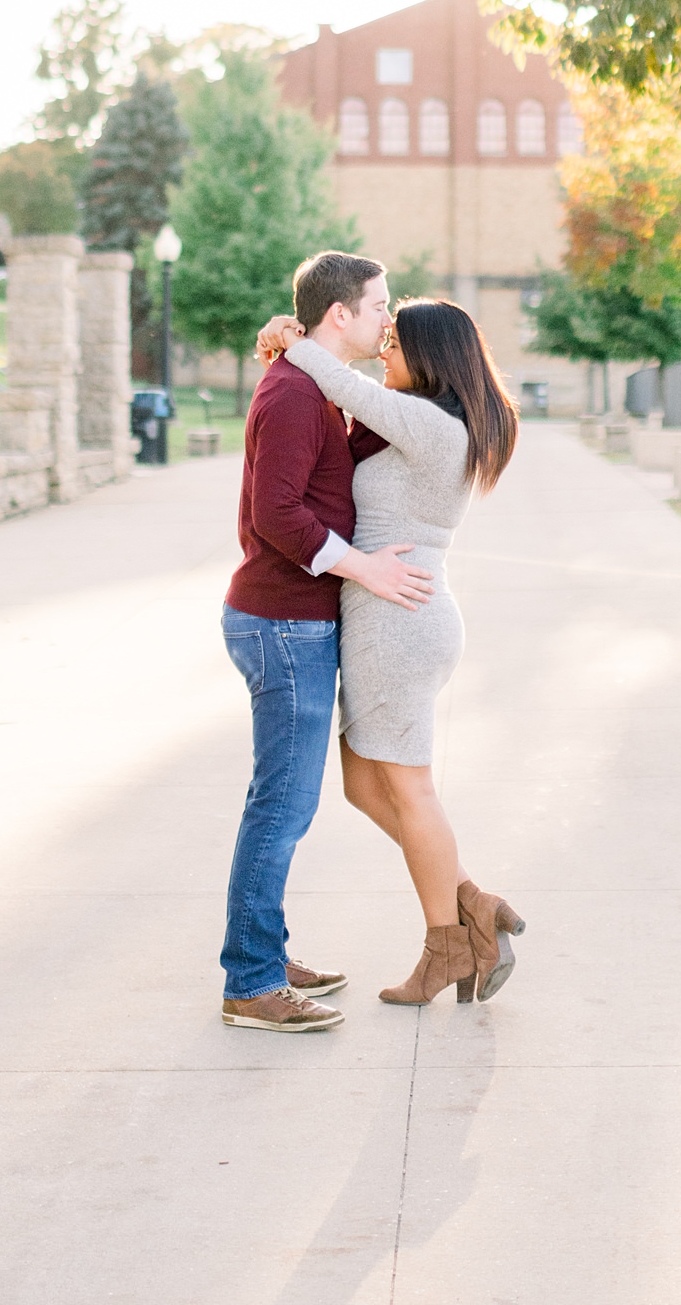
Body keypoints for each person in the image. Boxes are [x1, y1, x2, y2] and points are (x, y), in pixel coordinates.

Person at [256, 293, 526, 1007]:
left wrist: (289, 339)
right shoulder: (423, 420)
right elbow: (351, 401)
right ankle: (472, 904)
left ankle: (446, 946)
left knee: (410, 789)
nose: (384, 352)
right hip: (392, 616)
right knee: (364, 785)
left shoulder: (436, 427)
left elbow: (340, 384)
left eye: (396, 344)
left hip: (399, 621)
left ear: (432, 356)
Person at [220, 251, 434, 1034]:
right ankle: (250, 981)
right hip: (281, 623)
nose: (388, 320)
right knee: (282, 806)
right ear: (337, 314)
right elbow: (276, 513)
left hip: (296, 622)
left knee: (282, 803)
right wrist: (367, 571)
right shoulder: (293, 392)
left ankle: (262, 955)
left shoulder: (316, 386)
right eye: (378, 306)